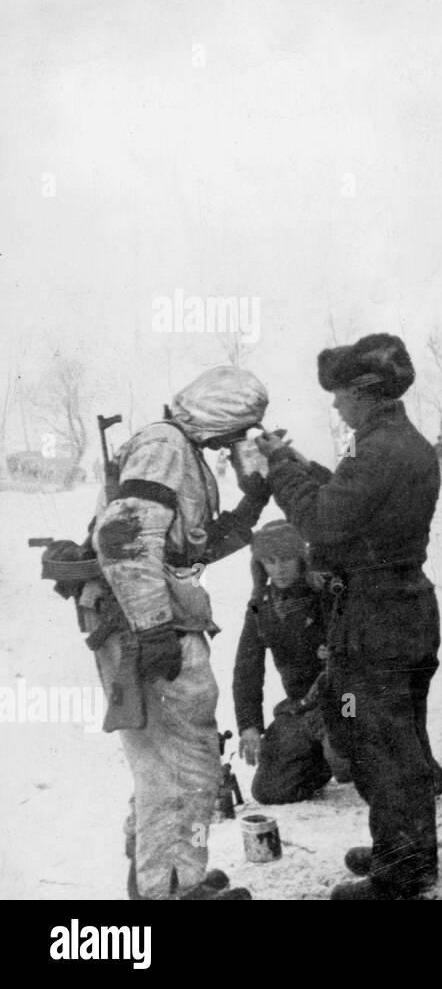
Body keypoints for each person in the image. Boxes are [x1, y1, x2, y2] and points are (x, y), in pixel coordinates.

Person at [255, 333, 442, 901]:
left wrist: (278, 468)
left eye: (340, 396)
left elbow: (324, 522)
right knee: (398, 740)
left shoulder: (379, 451)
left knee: (383, 746)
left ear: (365, 394)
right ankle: (402, 847)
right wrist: (293, 462)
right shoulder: (396, 445)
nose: (335, 406)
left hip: (377, 618)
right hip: (401, 608)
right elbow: (348, 498)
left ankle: (403, 872)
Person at [86, 365, 272, 900]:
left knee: (173, 763)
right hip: (148, 626)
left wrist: (250, 504)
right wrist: (155, 630)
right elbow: (123, 539)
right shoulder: (166, 447)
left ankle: (171, 878)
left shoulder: (177, 450)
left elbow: (187, 547)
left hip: (155, 619)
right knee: (180, 768)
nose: (236, 442)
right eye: (238, 429)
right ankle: (169, 889)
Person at [233, 520, 351, 804]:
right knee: (269, 791)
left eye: (286, 558)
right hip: (299, 708)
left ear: (301, 558)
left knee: (347, 764)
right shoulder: (260, 607)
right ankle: (318, 759)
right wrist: (249, 726)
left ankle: (345, 753)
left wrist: (338, 650)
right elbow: (247, 670)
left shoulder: (327, 592)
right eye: (270, 561)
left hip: (344, 698)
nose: (279, 568)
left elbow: (363, 638)